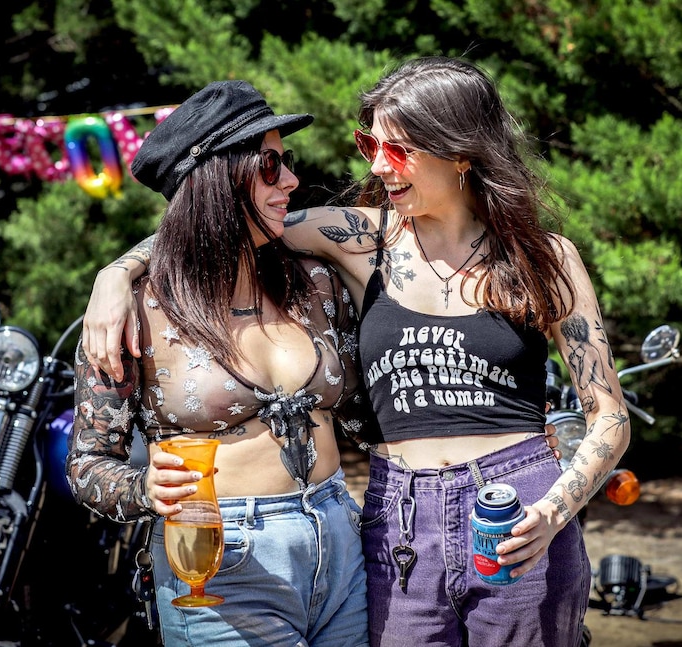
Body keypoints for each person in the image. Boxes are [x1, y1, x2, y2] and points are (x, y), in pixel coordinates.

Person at [80, 56, 629, 647]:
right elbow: (210, 218)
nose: (375, 165)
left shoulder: (545, 258)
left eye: (398, 150)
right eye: (370, 143)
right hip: (398, 517)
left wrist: (554, 510)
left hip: (517, 504)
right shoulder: (363, 239)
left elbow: (610, 417)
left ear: (461, 151)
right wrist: (115, 275)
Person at [66, 80, 379, 647]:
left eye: (287, 162)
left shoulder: (314, 282)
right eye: (270, 165)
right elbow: (88, 466)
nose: (290, 179)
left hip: (340, 544)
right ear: (218, 179)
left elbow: (371, 416)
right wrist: (144, 490)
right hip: (218, 565)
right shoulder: (136, 313)